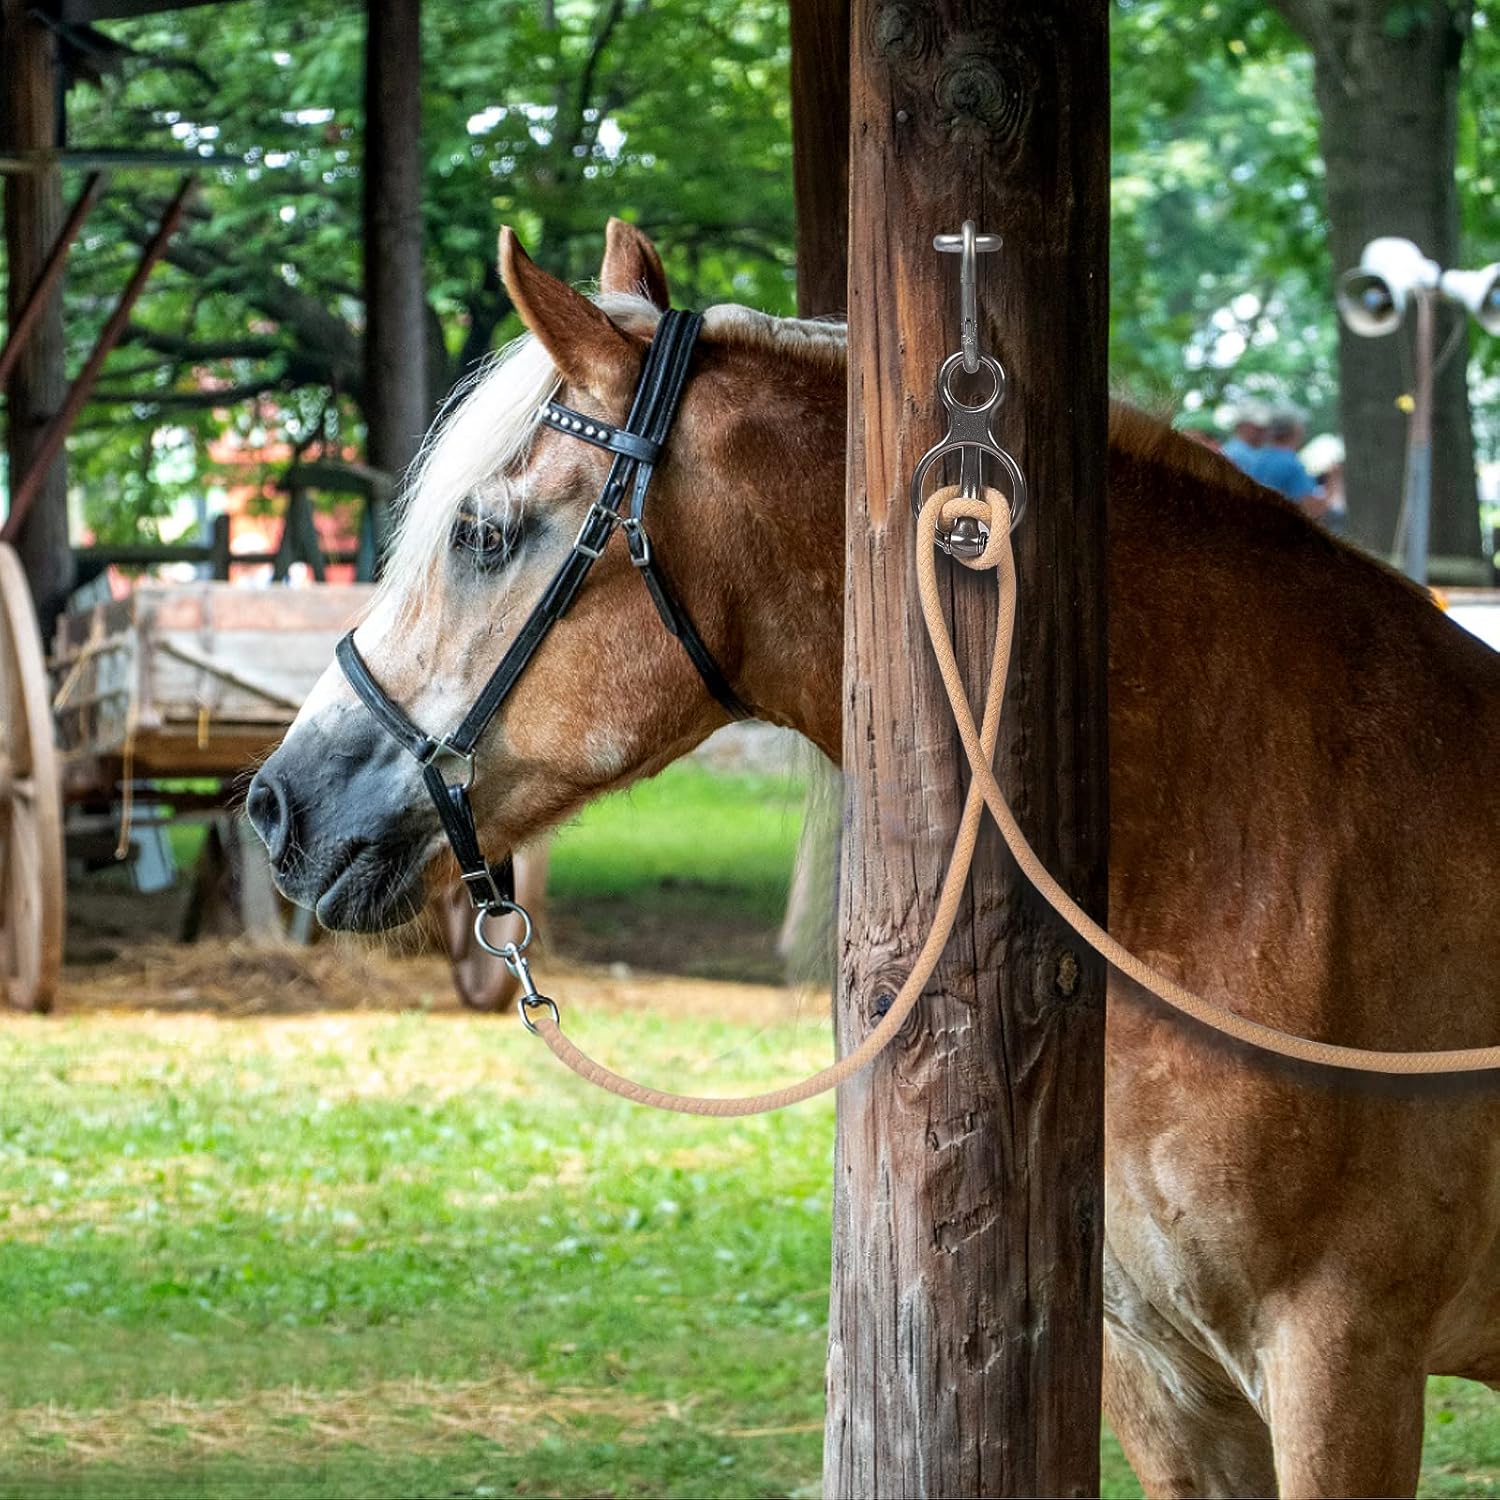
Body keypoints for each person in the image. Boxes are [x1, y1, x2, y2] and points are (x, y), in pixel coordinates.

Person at [1240, 408, 1323, 511]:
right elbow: (1312, 509)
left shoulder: (1256, 458)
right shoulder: (1292, 464)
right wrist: (1334, 483)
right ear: (1296, 430)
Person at [1221, 399, 1270, 474]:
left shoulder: (1236, 450)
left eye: (1264, 428)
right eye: (1258, 428)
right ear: (1242, 426)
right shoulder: (1237, 454)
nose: (1263, 432)